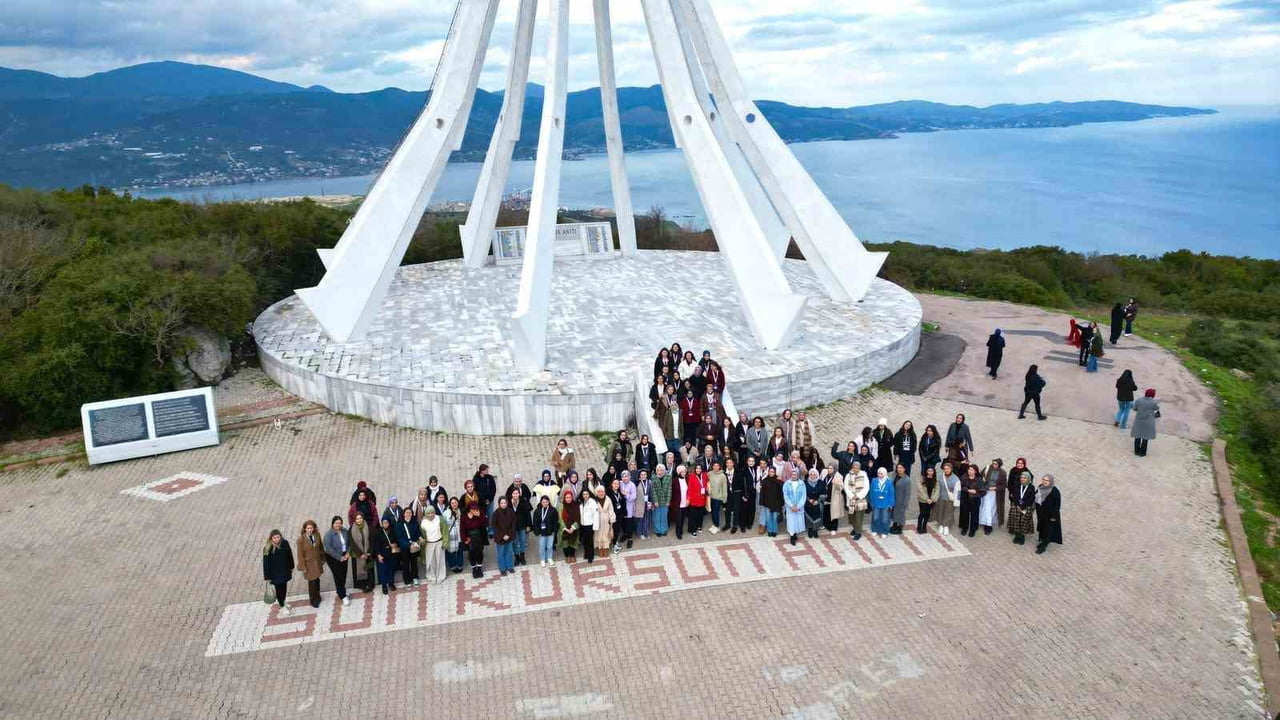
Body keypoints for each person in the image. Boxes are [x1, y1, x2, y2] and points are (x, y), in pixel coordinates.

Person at [262, 529, 294, 615]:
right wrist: (267, 577)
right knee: (279, 590)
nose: (276, 539)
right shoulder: (267, 548)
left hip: (285, 571)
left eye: (278, 537)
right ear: (271, 538)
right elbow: (266, 564)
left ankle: (283, 601)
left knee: (284, 588)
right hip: (275, 575)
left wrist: (291, 566)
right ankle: (282, 605)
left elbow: (290, 555)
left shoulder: (285, 543)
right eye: (274, 538)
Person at [322, 516, 352, 605]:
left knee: (343, 574)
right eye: (336, 523)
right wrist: (339, 557)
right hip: (333, 558)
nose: (338, 525)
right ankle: (342, 596)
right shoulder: (328, 535)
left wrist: (348, 553)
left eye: (340, 523)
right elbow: (328, 549)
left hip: (344, 555)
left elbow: (350, 543)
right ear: (332, 524)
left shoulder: (344, 531)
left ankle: (341, 591)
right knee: (338, 576)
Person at [296, 520, 325, 608]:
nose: (310, 530)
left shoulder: (317, 535)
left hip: (317, 562)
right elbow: (300, 554)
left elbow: (321, 547)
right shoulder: (301, 540)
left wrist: (323, 559)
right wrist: (303, 567)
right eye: (308, 528)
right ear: (304, 529)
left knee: (317, 580)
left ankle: (318, 596)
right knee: (311, 582)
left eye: (311, 528)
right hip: (308, 564)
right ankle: (313, 600)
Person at [419, 506, 448, 584]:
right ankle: (431, 576)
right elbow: (421, 534)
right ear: (426, 514)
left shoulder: (440, 519)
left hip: (439, 542)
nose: (431, 514)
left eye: (432, 512)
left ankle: (440, 576)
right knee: (431, 561)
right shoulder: (423, 522)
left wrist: (445, 542)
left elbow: (445, 531)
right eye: (428, 513)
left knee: (440, 560)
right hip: (429, 544)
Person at [1035, 474, 1063, 554]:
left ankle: (1044, 544)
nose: (1044, 481)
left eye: (1047, 480)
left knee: (1048, 529)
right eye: (1043, 479)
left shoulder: (1055, 492)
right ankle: (1042, 539)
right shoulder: (1041, 486)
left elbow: (1057, 506)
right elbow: (1036, 495)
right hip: (1041, 512)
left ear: (1050, 481)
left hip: (1049, 515)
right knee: (1042, 526)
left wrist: (1053, 517)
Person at [1007, 470, 1036, 545]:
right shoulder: (1017, 485)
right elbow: (1015, 495)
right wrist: (1018, 504)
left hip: (1026, 507)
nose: (1022, 479)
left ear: (1028, 479)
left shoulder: (1031, 487)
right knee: (1016, 520)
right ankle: (1017, 535)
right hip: (1017, 506)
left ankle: (1022, 536)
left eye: (1024, 478)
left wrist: (1023, 506)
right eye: (1021, 478)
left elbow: (1031, 498)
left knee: (1024, 522)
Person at [372, 516, 400, 593]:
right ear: (382, 523)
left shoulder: (392, 531)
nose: (385, 524)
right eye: (384, 523)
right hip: (382, 554)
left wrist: (395, 544)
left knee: (391, 569)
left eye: (387, 523)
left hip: (391, 553)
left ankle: (391, 583)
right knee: (383, 570)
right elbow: (376, 545)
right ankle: (384, 585)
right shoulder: (378, 532)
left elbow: (396, 540)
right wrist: (378, 555)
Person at [349, 511, 375, 592]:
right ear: (355, 520)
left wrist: (369, 551)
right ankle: (362, 585)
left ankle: (370, 584)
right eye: (357, 519)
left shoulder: (369, 527)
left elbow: (372, 540)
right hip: (357, 555)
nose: (359, 520)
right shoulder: (351, 529)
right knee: (359, 569)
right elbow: (351, 543)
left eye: (360, 518)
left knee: (369, 569)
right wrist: (360, 554)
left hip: (368, 553)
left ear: (363, 518)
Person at [491, 496, 517, 576]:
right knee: (501, 553)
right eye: (501, 503)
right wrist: (503, 535)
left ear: (507, 503)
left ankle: (509, 566)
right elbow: (495, 526)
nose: (503, 504)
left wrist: (508, 535)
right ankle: (502, 569)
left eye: (505, 503)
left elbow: (513, 524)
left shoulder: (511, 512)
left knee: (509, 552)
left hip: (509, 536)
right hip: (500, 537)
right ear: (499, 504)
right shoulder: (495, 514)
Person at [461, 504, 488, 579]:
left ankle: (479, 568)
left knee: (479, 553)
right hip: (470, 538)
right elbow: (462, 529)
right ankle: (474, 569)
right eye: (472, 509)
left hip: (479, 537)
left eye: (476, 509)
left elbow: (486, 524)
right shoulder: (464, 517)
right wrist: (464, 539)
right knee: (471, 554)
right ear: (469, 509)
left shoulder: (479, 514)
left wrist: (480, 516)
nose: (474, 510)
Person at [843, 463, 869, 540]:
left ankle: (858, 532)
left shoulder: (864, 475)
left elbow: (866, 487)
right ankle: (854, 529)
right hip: (851, 499)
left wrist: (858, 496)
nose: (856, 469)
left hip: (860, 499)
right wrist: (852, 496)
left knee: (859, 516)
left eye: (857, 468)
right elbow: (846, 487)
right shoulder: (848, 475)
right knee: (852, 516)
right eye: (854, 468)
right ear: (852, 467)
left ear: (859, 468)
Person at [531, 495, 559, 567]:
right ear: (541, 502)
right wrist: (536, 531)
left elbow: (556, 521)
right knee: (542, 546)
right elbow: (535, 522)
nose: (545, 503)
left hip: (550, 531)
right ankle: (542, 559)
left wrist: (554, 531)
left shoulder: (553, 510)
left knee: (550, 546)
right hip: (541, 532)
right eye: (543, 502)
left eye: (546, 502)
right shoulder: (537, 511)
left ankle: (549, 558)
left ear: (548, 502)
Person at [395, 508, 421, 587]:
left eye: (410, 513)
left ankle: (415, 577)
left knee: (414, 563)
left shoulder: (415, 523)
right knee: (405, 564)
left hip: (414, 546)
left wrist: (420, 538)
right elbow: (399, 538)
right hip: (405, 547)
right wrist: (409, 545)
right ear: (403, 514)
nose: (408, 514)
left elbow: (418, 533)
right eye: (407, 513)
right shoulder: (399, 524)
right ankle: (407, 580)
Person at [1131, 388, 1160, 456]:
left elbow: (1134, 408)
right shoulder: (1154, 402)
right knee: (1145, 437)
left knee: (1137, 436)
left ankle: (1136, 451)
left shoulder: (1139, 400)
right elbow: (1157, 408)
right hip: (1148, 421)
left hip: (1139, 420)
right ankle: (1142, 453)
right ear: (1153, 395)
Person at [958, 465, 985, 538]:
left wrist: (976, 492)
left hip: (975, 500)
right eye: (969, 469)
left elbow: (983, 492)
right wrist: (968, 490)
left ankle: (972, 530)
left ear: (975, 471)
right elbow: (959, 487)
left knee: (974, 515)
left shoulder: (979, 480)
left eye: (972, 470)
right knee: (965, 514)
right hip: (965, 499)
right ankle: (964, 528)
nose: (970, 471)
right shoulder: (964, 477)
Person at [783, 468, 808, 545]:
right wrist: (791, 506)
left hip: (798, 507)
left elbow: (804, 496)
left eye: (795, 474)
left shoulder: (802, 484)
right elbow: (785, 496)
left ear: (798, 475)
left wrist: (798, 506)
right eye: (792, 474)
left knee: (797, 521)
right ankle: (792, 536)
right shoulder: (787, 484)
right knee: (791, 522)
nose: (793, 476)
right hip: (790, 507)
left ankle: (795, 533)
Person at [868, 468, 895, 539]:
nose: (880, 475)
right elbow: (871, 492)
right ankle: (874, 529)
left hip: (886, 504)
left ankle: (884, 531)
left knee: (885, 519)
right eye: (879, 473)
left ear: (885, 474)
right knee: (875, 517)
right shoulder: (874, 481)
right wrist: (871, 502)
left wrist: (891, 504)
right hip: (876, 503)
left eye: (881, 473)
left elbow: (892, 494)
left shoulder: (889, 482)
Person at [760, 464, 784, 537]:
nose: (771, 473)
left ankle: (774, 531)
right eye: (770, 472)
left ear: (775, 472)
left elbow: (781, 493)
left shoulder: (778, 482)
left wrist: (781, 503)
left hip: (776, 503)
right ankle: (770, 531)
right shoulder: (764, 481)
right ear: (768, 472)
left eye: (773, 472)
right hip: (767, 503)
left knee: (774, 517)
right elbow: (762, 493)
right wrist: (761, 502)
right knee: (768, 517)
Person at [984, 458, 1008, 529]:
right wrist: (985, 486)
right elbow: (981, 476)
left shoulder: (1003, 473)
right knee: (985, 508)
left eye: (995, 464)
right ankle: (985, 521)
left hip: (995, 494)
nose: (993, 465)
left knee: (991, 509)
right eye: (993, 463)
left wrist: (995, 488)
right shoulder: (988, 468)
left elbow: (1004, 485)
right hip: (986, 491)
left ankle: (989, 525)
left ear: (999, 465)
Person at [936, 462, 959, 536]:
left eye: (948, 469)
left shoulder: (956, 479)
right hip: (941, 497)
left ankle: (946, 526)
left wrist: (957, 501)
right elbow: (937, 487)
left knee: (948, 513)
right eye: (945, 469)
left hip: (950, 499)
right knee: (940, 511)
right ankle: (940, 524)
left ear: (951, 469)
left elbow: (958, 492)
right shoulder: (940, 476)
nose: (946, 470)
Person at [685, 465, 708, 538]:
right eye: (697, 468)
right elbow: (689, 488)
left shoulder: (704, 476)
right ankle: (692, 530)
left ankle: (699, 526)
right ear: (695, 469)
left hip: (702, 498)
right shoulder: (691, 476)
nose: (698, 470)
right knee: (693, 516)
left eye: (700, 468)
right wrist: (688, 498)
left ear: (702, 469)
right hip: (694, 499)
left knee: (700, 514)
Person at [915, 467, 939, 534]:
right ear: (926, 471)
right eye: (928, 470)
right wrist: (926, 499)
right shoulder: (922, 480)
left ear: (934, 472)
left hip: (931, 501)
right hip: (923, 500)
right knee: (922, 513)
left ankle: (924, 526)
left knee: (927, 514)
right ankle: (919, 526)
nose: (930, 472)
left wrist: (932, 499)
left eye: (931, 471)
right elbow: (920, 490)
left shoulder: (936, 481)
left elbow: (937, 491)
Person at [593, 486, 616, 558]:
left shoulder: (608, 499)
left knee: (606, 534)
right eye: (599, 492)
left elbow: (611, 510)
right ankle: (600, 548)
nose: (601, 493)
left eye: (602, 491)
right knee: (598, 535)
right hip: (597, 520)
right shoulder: (593, 500)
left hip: (606, 520)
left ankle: (606, 548)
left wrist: (612, 520)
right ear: (596, 493)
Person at [890, 463, 912, 535]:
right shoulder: (895, 475)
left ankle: (900, 528)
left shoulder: (907, 480)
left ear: (904, 469)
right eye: (898, 468)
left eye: (901, 468)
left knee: (901, 514)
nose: (899, 469)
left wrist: (905, 503)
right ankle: (895, 525)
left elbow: (907, 493)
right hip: (894, 498)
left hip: (901, 500)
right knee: (894, 513)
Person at [444, 497, 464, 573]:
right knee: (450, 552)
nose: (454, 504)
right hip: (451, 535)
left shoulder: (461, 511)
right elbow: (444, 525)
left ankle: (460, 565)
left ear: (458, 503)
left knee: (460, 551)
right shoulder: (446, 512)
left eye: (455, 502)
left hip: (460, 534)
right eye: (452, 503)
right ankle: (452, 566)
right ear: (450, 504)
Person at [560, 489, 581, 563]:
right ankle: (567, 556)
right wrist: (565, 528)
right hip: (564, 529)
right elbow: (559, 519)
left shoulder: (576, 506)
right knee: (565, 543)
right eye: (567, 497)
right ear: (564, 498)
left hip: (573, 528)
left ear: (572, 497)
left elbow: (578, 517)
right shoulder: (561, 506)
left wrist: (573, 527)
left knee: (573, 543)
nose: (568, 499)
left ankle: (572, 555)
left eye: (570, 497)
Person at [651, 464, 672, 537]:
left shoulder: (668, 477)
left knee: (664, 516)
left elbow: (669, 490)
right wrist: (655, 501)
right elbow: (653, 491)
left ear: (664, 470)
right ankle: (658, 530)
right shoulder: (653, 478)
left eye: (661, 470)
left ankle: (664, 530)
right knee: (657, 516)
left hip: (665, 500)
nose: (659, 471)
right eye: (658, 470)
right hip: (657, 500)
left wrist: (668, 501)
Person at [578, 489, 599, 563]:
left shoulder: (592, 502)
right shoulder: (581, 502)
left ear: (589, 494)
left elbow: (596, 515)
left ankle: (591, 556)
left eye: (587, 494)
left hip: (590, 525)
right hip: (583, 524)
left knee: (590, 541)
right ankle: (586, 553)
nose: (585, 496)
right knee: (585, 540)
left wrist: (595, 526)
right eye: (584, 494)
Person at [708, 460, 728, 533]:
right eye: (714, 466)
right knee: (712, 512)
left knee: (715, 512)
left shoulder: (722, 476)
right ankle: (714, 524)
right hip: (711, 496)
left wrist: (724, 499)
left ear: (719, 467)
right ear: (712, 466)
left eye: (717, 466)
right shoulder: (710, 474)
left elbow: (724, 488)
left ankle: (717, 526)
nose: (716, 467)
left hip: (718, 497)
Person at [825, 467, 844, 534]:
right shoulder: (826, 475)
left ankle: (834, 528)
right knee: (827, 512)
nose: (829, 469)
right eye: (828, 468)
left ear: (834, 469)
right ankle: (828, 526)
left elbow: (841, 488)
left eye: (831, 468)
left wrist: (836, 484)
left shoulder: (838, 476)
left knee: (834, 514)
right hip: (826, 497)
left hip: (834, 498)